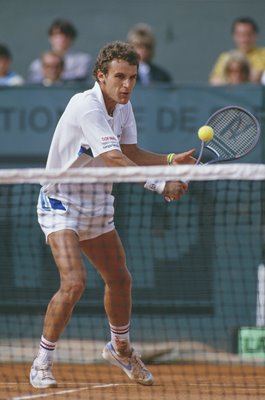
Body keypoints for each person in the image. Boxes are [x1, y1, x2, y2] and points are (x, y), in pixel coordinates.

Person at [29, 41, 195, 389]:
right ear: (100, 76)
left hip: (97, 203)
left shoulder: (123, 106)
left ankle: (120, 347)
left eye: (132, 78)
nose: (127, 85)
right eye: (119, 77)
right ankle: (42, 362)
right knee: (74, 283)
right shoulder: (85, 105)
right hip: (61, 203)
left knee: (120, 279)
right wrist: (161, 185)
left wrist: (168, 160)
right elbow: (114, 158)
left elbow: (131, 150)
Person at [28, 18, 93, 84]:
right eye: (57, 35)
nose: (62, 38)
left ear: (72, 38)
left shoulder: (83, 60)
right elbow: (34, 83)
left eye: (66, 35)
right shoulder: (37, 63)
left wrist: (53, 77)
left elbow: (80, 79)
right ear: (50, 37)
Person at [209, 17, 265, 85]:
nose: (244, 38)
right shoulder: (226, 57)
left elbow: (256, 77)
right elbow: (214, 81)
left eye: (248, 34)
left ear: (255, 35)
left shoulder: (263, 54)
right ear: (234, 36)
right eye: (240, 34)